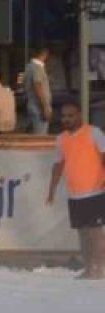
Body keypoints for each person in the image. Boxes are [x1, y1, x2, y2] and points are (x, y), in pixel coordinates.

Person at [47, 100, 105, 278]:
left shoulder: (94, 133)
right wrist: (52, 190)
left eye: (70, 115)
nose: (67, 119)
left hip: (95, 191)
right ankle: (89, 268)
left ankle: (100, 269)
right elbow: (58, 165)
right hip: (75, 194)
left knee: (95, 233)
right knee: (83, 234)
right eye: (64, 116)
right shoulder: (61, 139)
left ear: (79, 115)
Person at [26, 46, 53, 135]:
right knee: (41, 136)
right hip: (39, 107)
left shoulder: (29, 67)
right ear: (44, 54)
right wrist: (45, 106)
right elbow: (37, 85)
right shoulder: (37, 67)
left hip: (34, 105)